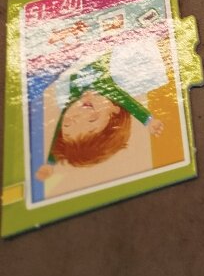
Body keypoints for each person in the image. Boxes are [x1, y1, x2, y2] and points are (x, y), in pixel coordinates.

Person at [34, 40, 166, 181]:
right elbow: (130, 104)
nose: (80, 114)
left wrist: (50, 163)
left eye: (68, 122)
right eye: (92, 119)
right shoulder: (110, 90)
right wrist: (149, 120)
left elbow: (57, 136)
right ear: (115, 110)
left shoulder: (73, 94)